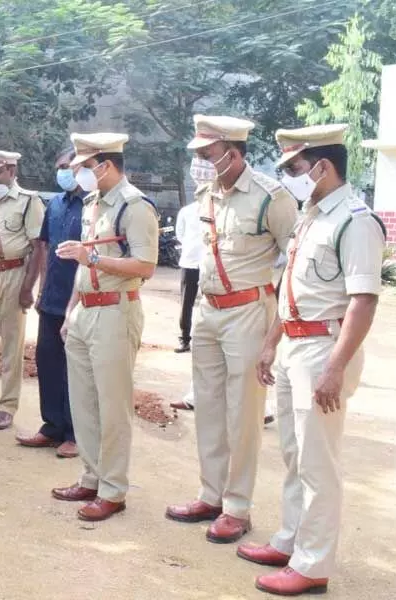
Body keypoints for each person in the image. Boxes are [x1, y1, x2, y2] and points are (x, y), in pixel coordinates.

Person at [237, 124, 385, 597]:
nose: (289, 177)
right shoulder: (311, 215)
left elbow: (363, 302)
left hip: (325, 350)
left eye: (295, 168)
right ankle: (290, 539)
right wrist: (270, 343)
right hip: (295, 347)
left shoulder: (355, 220)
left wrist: (336, 369)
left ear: (322, 166)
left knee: (319, 463)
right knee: (294, 454)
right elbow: (293, 290)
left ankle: (313, 565)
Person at [165, 115, 298, 543]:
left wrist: (275, 332)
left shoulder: (270, 199)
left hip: (247, 313)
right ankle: (211, 494)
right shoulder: (208, 195)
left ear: (233, 154)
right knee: (207, 406)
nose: (200, 164)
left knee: (243, 413)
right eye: (198, 156)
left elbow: (295, 265)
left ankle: (238, 507)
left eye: (207, 155)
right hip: (208, 311)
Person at [51, 132, 158, 521]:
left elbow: (145, 266)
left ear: (105, 166)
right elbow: (85, 264)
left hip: (116, 312)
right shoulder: (94, 204)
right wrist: (70, 311)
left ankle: (113, 489)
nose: (77, 175)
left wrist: (92, 260)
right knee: (84, 402)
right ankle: (91, 476)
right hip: (86, 311)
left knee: (112, 405)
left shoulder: (135, 207)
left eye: (82, 168)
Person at [15, 147, 84, 458]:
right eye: (60, 167)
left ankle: (75, 433)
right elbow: (43, 248)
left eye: (68, 166)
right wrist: (38, 290)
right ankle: (52, 425)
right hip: (52, 298)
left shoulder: (93, 207)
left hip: (81, 301)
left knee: (75, 368)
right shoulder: (55, 204)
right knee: (48, 362)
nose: (63, 172)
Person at [0, 148, 45, 431]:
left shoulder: (29, 201)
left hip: (15, 273)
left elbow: (39, 246)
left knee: (11, 344)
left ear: (12, 171)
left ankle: (7, 405)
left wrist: (29, 287)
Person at [173, 157, 211, 354]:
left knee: (190, 303)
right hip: (196, 262)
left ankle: (186, 340)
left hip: (197, 262)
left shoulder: (187, 211)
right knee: (199, 303)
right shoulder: (190, 212)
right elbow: (180, 234)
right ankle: (190, 338)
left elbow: (180, 235)